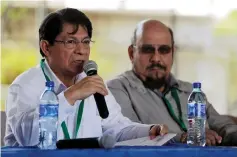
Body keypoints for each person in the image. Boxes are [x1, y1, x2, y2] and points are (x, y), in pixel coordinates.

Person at [4, 9, 168, 146]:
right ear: (46, 47)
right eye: (71, 42)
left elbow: (117, 129)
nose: (81, 50)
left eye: (86, 42)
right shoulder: (25, 85)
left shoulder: (91, 82)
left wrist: (149, 130)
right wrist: (72, 95)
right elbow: (27, 138)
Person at [107, 19, 237, 146]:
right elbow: (128, 133)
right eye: (147, 50)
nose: (156, 58)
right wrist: (183, 138)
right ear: (131, 53)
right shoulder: (117, 89)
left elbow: (224, 126)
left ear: (173, 52)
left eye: (164, 50)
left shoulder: (189, 91)